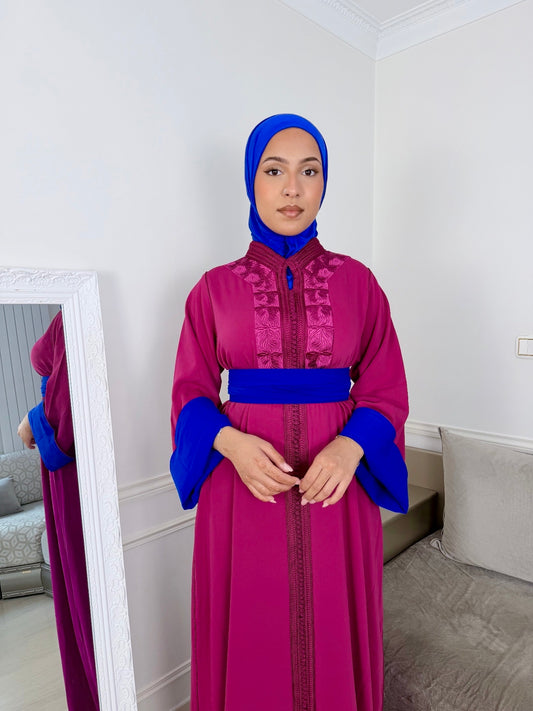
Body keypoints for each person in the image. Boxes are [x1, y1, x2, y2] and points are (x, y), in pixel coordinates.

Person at [170, 114, 409, 711]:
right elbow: (189, 394)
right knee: (253, 630)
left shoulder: (360, 284)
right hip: (243, 488)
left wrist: (350, 447)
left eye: (310, 171)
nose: (293, 189)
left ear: (325, 182)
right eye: (274, 171)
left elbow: (386, 390)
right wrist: (230, 442)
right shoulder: (212, 290)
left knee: (332, 625)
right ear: (251, 182)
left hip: (337, 489)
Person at [17, 310, 100, 711]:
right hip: (70, 465)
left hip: (72, 470)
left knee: (84, 585)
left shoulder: (74, 314)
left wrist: (33, 420)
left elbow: (67, 413)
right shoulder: (71, 306)